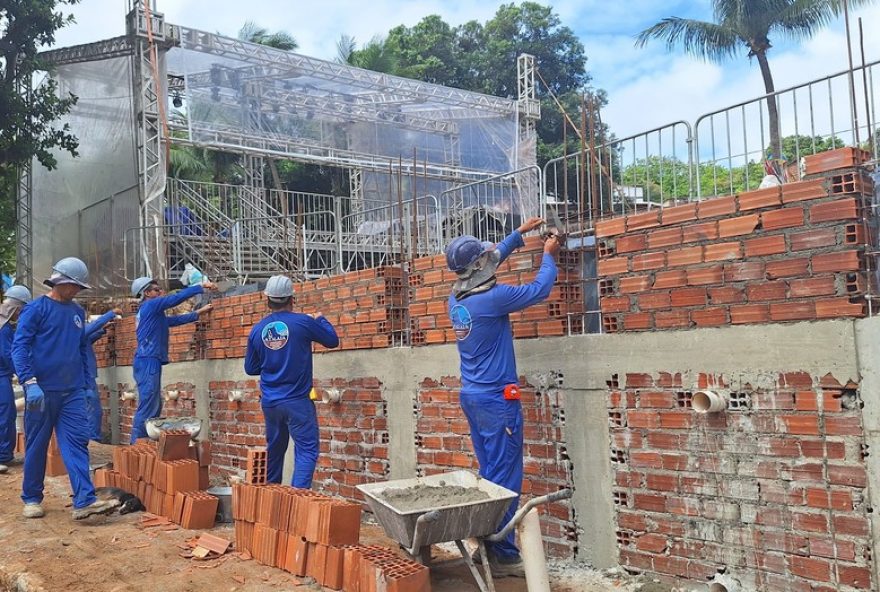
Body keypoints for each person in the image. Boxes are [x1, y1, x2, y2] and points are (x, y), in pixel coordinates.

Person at [445, 217, 560, 575]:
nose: (490, 256)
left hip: (473, 397)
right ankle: (505, 555)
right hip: (497, 400)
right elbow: (540, 290)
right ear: (478, 266)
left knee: (490, 471)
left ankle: (487, 538)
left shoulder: (457, 296)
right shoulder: (494, 299)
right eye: (484, 255)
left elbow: (490, 257)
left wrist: (518, 235)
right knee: (506, 476)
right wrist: (549, 254)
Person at [11, 257, 119, 519]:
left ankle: (84, 499)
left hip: (72, 391)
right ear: (58, 282)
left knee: (77, 443)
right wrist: (29, 382)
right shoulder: (36, 309)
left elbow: (81, 348)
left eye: (79, 287)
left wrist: (84, 384)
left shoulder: (77, 313)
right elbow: (19, 347)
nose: (75, 291)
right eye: (72, 285)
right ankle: (32, 498)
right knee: (37, 445)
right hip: (42, 392)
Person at [244, 275, 339, 488]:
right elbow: (332, 341)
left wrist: (272, 359)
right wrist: (320, 319)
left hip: (270, 403)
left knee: (275, 450)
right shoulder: (303, 322)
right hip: (297, 401)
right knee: (306, 450)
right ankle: (296, 503)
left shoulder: (258, 329)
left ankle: (270, 499)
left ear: (267, 298)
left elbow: (250, 368)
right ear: (291, 299)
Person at [129, 276, 217, 443]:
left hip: (148, 359)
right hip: (147, 359)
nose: (160, 291)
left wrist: (197, 313)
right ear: (146, 293)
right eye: (156, 289)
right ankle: (136, 445)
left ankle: (145, 443)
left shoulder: (151, 312)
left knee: (154, 403)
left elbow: (172, 321)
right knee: (148, 404)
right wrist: (199, 286)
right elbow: (174, 299)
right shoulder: (151, 305)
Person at [0, 285, 32, 474]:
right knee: (5, 415)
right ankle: (3, 455)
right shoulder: (3, 328)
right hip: (1, 377)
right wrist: (25, 374)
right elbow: (8, 355)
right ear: (17, 307)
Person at [83, 308, 122, 443]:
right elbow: (89, 329)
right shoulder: (73, 331)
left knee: (92, 409)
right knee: (92, 409)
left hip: (87, 375)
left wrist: (103, 330)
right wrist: (110, 314)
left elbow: (87, 338)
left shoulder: (76, 334)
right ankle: (92, 440)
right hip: (83, 376)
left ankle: (92, 438)